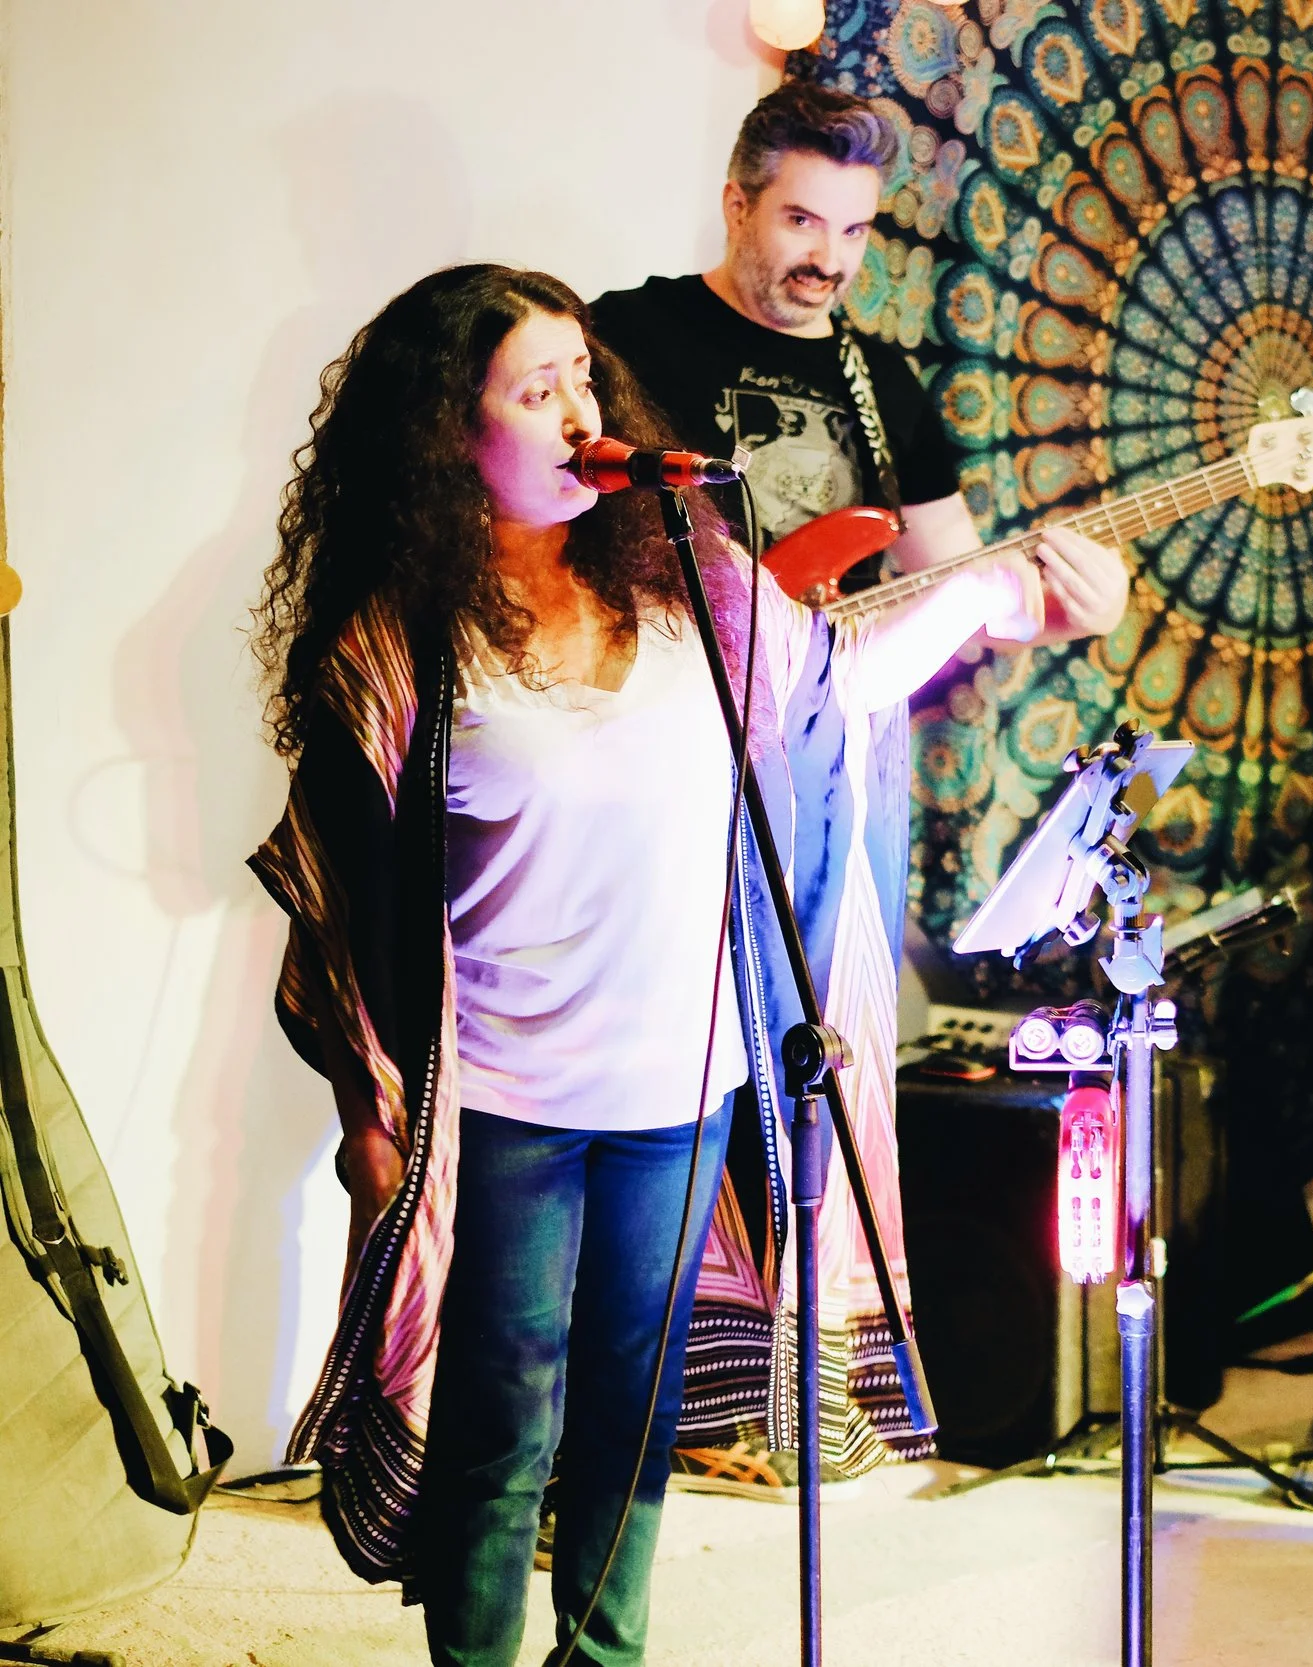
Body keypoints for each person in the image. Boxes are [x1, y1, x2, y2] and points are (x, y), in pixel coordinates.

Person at [247, 264, 1042, 1664]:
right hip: (504, 1096)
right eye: (533, 387)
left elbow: (826, 688)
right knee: (503, 1414)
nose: (577, 411)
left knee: (636, 1401)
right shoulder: (392, 647)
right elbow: (349, 910)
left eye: (581, 378)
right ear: (450, 430)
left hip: (684, 1076)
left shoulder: (693, 572)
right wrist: (372, 1112)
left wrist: (991, 595)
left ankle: (606, 1651)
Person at [588, 82, 1130, 1486]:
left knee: (817, 1072)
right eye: (800, 219)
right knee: (674, 1069)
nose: (828, 256)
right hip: (675, 754)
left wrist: (1068, 596)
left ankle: (788, 1389)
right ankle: (666, 1399)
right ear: (737, 198)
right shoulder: (628, 336)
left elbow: (960, 587)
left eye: (856, 229)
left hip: (840, 771)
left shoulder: (886, 389)